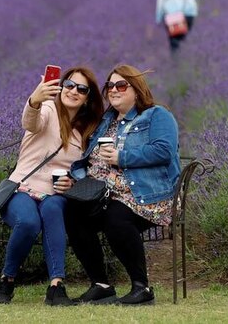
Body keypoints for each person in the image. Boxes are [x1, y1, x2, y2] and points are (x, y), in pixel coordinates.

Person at [64, 64, 181, 306]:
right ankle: (102, 285)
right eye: (110, 86)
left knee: (116, 217)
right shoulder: (105, 121)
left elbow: (164, 151)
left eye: (121, 85)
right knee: (72, 212)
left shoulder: (156, 115)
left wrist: (122, 156)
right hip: (104, 194)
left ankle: (142, 287)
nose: (114, 90)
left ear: (136, 90)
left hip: (146, 195)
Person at [0, 67, 105, 306]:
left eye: (81, 89)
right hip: (22, 188)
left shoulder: (87, 131)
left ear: (87, 99)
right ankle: (7, 279)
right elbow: (30, 122)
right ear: (61, 87)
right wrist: (34, 100)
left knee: (53, 209)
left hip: (56, 193)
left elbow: (87, 169)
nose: (73, 91)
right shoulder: (48, 110)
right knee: (29, 223)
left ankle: (56, 287)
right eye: (69, 84)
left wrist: (73, 182)